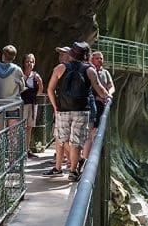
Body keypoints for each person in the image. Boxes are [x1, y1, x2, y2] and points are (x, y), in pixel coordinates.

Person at [43, 42, 111, 181]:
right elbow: (99, 89)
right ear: (86, 55)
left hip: (63, 109)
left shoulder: (60, 68)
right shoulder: (89, 70)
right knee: (77, 142)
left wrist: (55, 106)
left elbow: (50, 89)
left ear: (72, 54)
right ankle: (73, 171)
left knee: (63, 138)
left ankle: (75, 163)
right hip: (81, 110)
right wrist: (108, 97)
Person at [82, 50, 115, 158]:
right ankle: (86, 156)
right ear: (92, 59)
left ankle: (90, 154)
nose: (100, 60)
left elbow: (111, 86)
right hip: (91, 102)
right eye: (97, 58)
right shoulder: (88, 71)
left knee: (96, 128)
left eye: (101, 58)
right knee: (90, 129)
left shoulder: (105, 73)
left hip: (101, 104)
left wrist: (108, 94)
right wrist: (98, 97)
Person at [0, 45, 24, 124]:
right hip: (13, 104)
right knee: (13, 133)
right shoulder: (17, 70)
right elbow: (22, 87)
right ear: (14, 57)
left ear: (3, 55)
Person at [21, 53, 44, 157]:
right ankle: (20, 150)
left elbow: (39, 92)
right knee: (22, 126)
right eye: (28, 61)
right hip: (23, 104)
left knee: (29, 127)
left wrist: (40, 82)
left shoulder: (35, 76)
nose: (30, 63)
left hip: (33, 103)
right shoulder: (21, 74)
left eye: (32, 61)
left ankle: (27, 149)